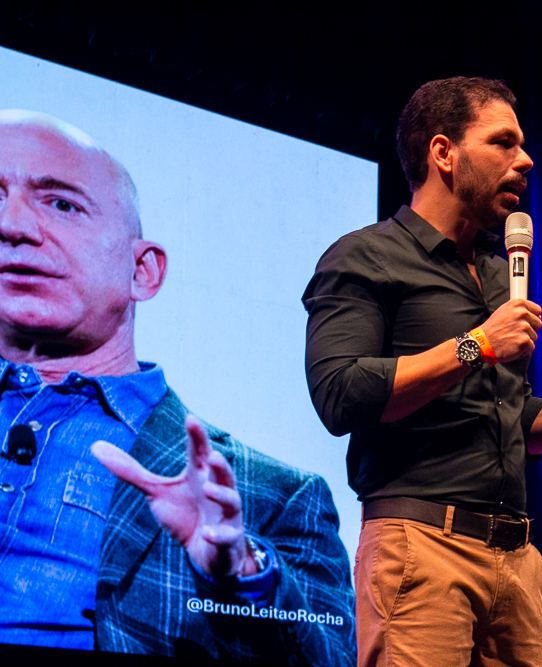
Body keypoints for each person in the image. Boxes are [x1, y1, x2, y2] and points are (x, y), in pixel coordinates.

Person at [302, 76, 542, 666]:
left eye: (523, 145)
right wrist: (477, 345)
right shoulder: (367, 257)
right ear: (443, 153)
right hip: (422, 550)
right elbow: (341, 394)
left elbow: (511, 418)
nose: (525, 160)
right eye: (503, 142)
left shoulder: (499, 271)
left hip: (518, 563)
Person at [0, 110, 356, 664]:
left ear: (142, 270)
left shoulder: (273, 495)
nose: (13, 225)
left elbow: (327, 657)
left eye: (61, 204)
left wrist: (241, 574)